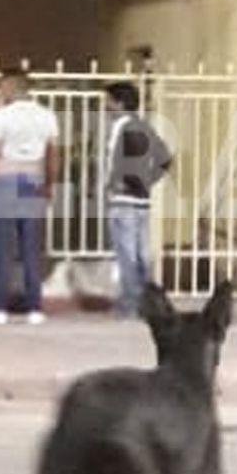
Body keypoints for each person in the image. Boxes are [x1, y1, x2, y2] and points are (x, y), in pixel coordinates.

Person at [0, 68, 60, 325]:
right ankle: (34, 308)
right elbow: (54, 153)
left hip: (5, 179)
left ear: (10, 87)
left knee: (1, 247)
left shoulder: (2, 115)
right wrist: (50, 183)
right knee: (31, 246)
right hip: (33, 179)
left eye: (1, 87)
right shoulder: (47, 115)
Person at [102, 82, 173, 319]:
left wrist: (127, 183)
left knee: (128, 256)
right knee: (141, 255)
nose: (106, 105)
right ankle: (145, 303)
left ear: (119, 103)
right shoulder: (143, 126)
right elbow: (165, 159)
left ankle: (131, 305)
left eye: (109, 101)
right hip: (141, 201)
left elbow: (132, 160)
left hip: (124, 201)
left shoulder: (125, 127)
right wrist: (146, 184)